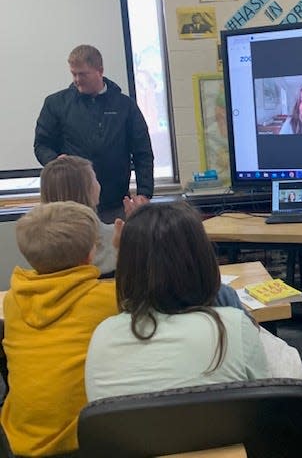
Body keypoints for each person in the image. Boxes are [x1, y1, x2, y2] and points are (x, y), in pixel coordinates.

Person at [84, 201, 270, 401]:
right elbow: (266, 407)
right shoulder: (234, 327)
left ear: (127, 265)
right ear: (203, 257)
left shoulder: (102, 338)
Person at [1, 201, 117, 456]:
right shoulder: (108, 299)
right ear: (90, 253)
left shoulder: (13, 301)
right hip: (84, 440)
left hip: (19, 439)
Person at [34, 45, 154, 223]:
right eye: (73, 74)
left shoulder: (125, 106)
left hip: (115, 204)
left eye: (82, 74)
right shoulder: (56, 104)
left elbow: (142, 152)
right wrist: (54, 161)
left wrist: (144, 193)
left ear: (100, 71)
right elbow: (41, 145)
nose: (77, 80)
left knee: (115, 248)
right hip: (72, 204)